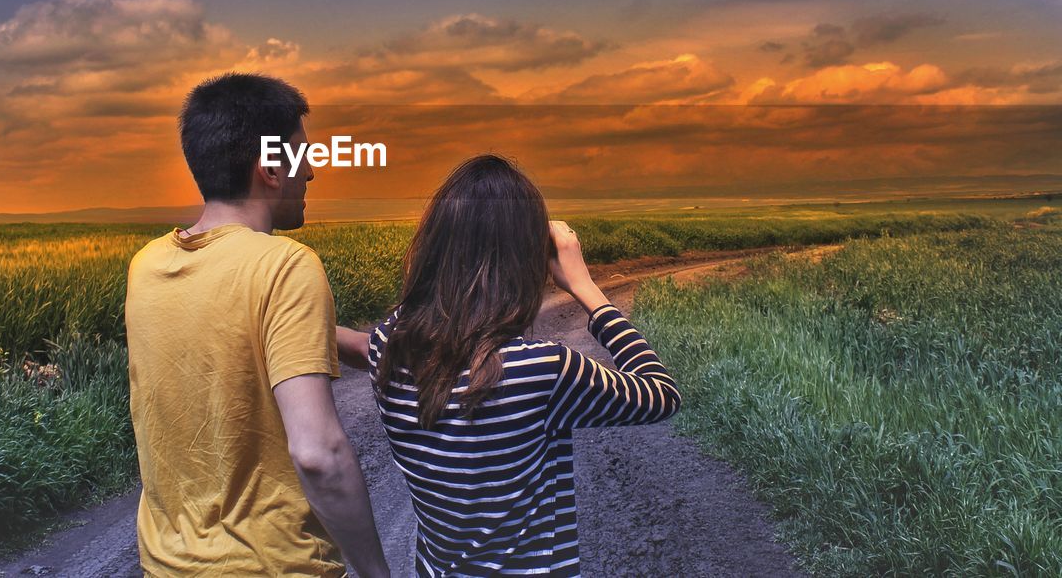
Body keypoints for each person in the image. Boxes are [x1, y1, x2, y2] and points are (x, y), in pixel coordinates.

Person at [125, 72, 389, 577]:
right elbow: (318, 455)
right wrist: (377, 572)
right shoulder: (286, 264)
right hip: (272, 565)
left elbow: (223, 329)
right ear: (270, 165)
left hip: (165, 565)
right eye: (303, 155)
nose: (311, 173)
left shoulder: (149, 266)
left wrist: (361, 345)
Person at [367, 154, 682, 576]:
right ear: (527, 258)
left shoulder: (387, 344)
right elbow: (661, 395)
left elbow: (371, 344)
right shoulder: (542, 371)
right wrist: (585, 287)